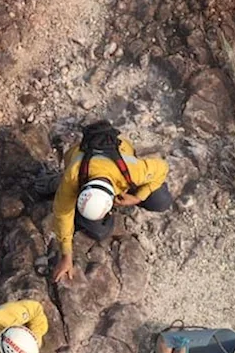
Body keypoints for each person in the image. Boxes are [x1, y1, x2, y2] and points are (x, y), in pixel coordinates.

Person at [49, 121, 172, 283]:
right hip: (84, 160)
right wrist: (66, 255)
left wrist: (138, 197)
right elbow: (62, 215)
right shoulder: (73, 176)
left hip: (121, 164)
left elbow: (163, 168)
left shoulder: (133, 170)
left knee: (161, 201)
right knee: (99, 231)